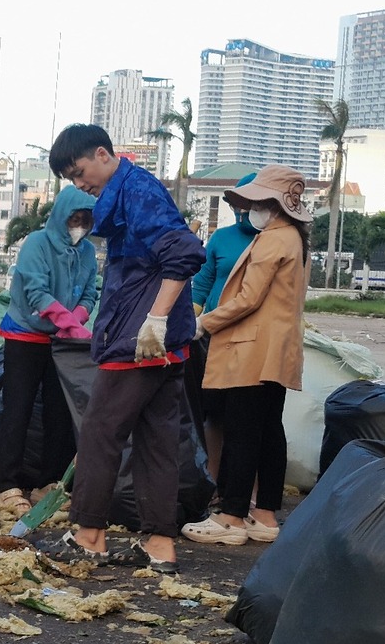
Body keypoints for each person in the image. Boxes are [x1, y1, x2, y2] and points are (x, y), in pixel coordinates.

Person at [45, 124, 204, 575]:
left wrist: (156, 319)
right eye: (71, 180)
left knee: (101, 431)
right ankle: (159, 545)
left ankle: (89, 536)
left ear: (102, 154)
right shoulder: (126, 194)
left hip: (139, 340)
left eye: (79, 172)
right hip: (159, 343)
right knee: (157, 441)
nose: (79, 184)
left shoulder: (138, 191)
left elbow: (185, 253)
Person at [186, 166, 311, 545]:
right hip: (276, 349)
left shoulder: (273, 240)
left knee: (242, 433)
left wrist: (204, 323)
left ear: (275, 205)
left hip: (253, 349)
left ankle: (231, 518)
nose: (250, 209)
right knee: (269, 430)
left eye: (257, 202)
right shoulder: (295, 238)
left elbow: (247, 299)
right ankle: (265, 515)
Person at [0, 185, 97, 497]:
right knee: (18, 408)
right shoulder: (37, 243)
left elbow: (90, 292)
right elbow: (35, 292)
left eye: (86, 221)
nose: (80, 226)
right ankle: (7, 483)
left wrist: (76, 319)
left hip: (62, 342)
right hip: (26, 333)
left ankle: (50, 483)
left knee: (59, 412)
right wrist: (68, 322)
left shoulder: (87, 252)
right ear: (62, 216)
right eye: (75, 219)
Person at [185, 182, 263, 460]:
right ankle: (212, 475)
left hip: (251, 338)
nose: (241, 211)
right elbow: (202, 283)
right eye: (236, 205)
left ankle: (243, 478)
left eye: (247, 205)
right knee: (213, 411)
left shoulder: (271, 241)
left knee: (245, 415)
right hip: (214, 333)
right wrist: (191, 319)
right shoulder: (221, 238)